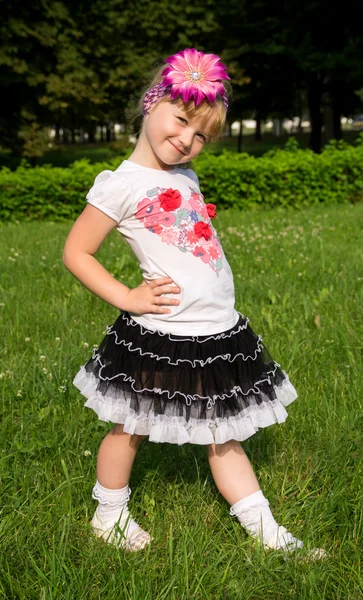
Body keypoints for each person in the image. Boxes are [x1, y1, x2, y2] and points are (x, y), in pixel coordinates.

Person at [63, 48, 324, 557]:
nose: (187, 140)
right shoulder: (120, 184)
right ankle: (108, 512)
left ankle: (268, 532)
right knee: (131, 425)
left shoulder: (184, 175)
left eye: (200, 135)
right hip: (162, 334)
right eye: (181, 121)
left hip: (217, 329)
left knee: (224, 433)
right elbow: (77, 251)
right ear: (151, 104)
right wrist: (126, 296)